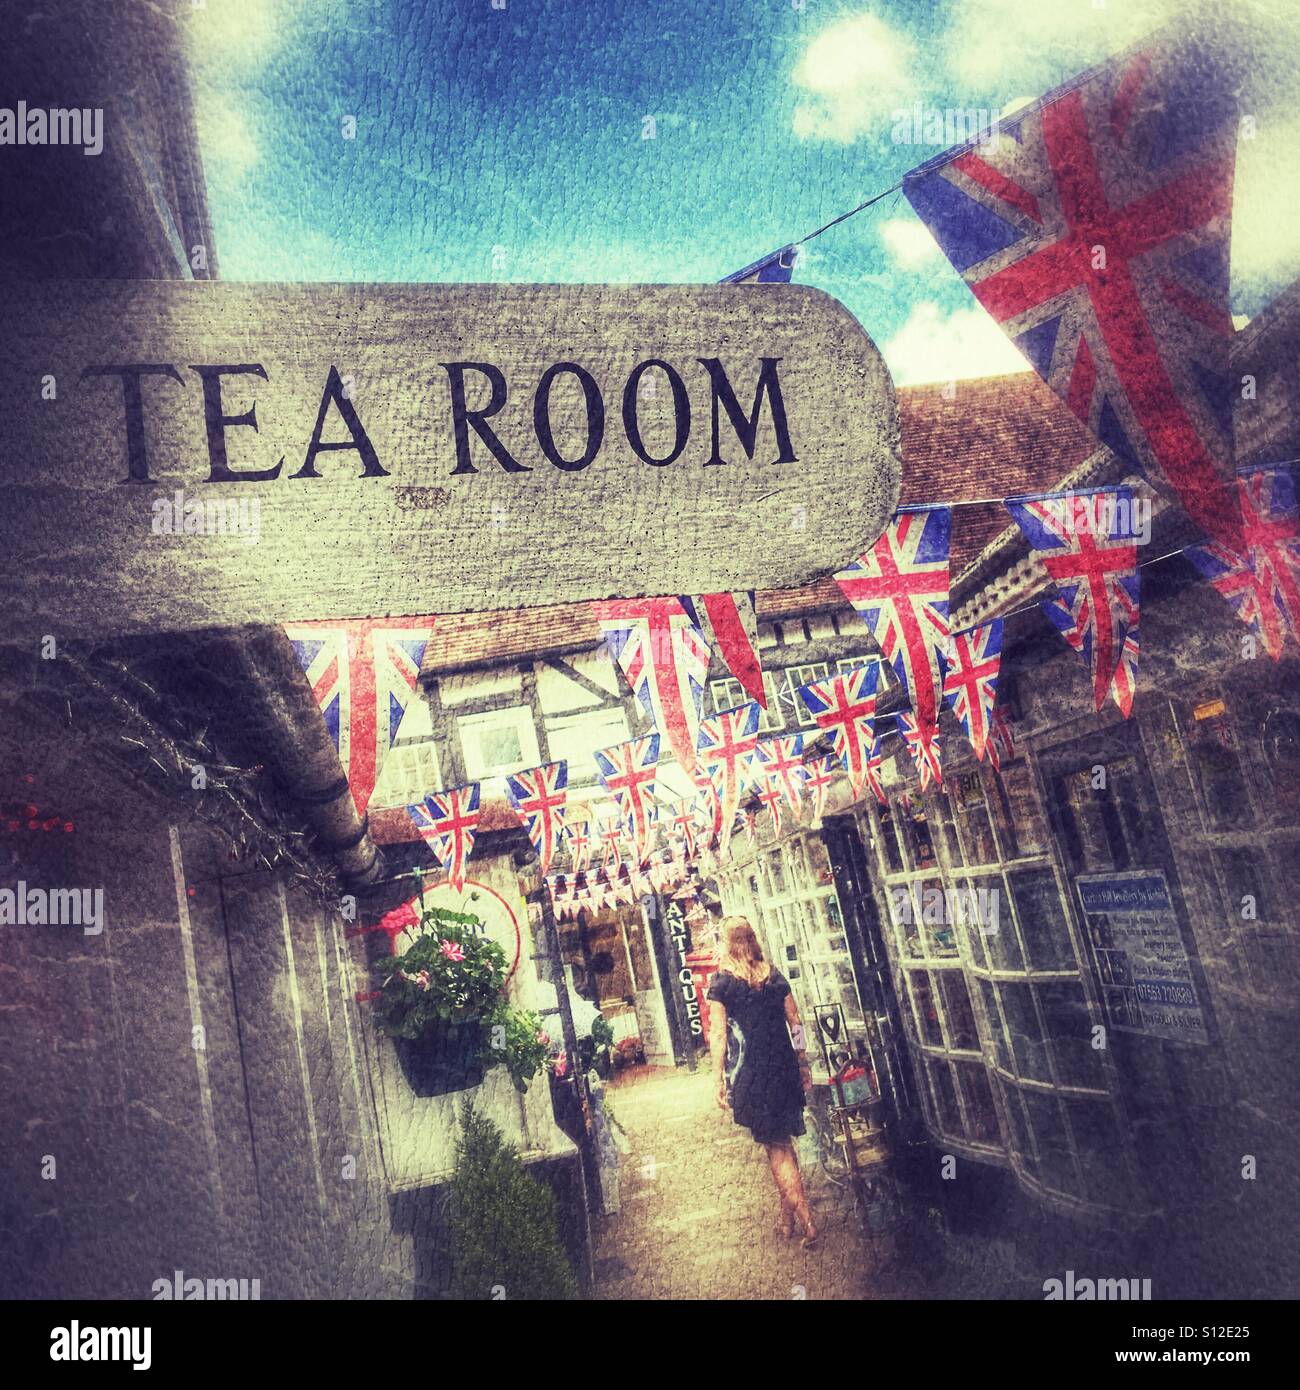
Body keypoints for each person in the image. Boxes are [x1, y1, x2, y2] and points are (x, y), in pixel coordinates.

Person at [706, 916, 818, 1248]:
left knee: (777, 1148)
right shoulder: (774, 975)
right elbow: (795, 1022)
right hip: (783, 1068)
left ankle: (808, 1222)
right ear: (752, 939)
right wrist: (801, 1061)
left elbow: (718, 1035)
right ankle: (787, 1221)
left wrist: (717, 1080)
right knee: (782, 1142)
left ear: (727, 943)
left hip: (751, 1075)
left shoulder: (722, 984)